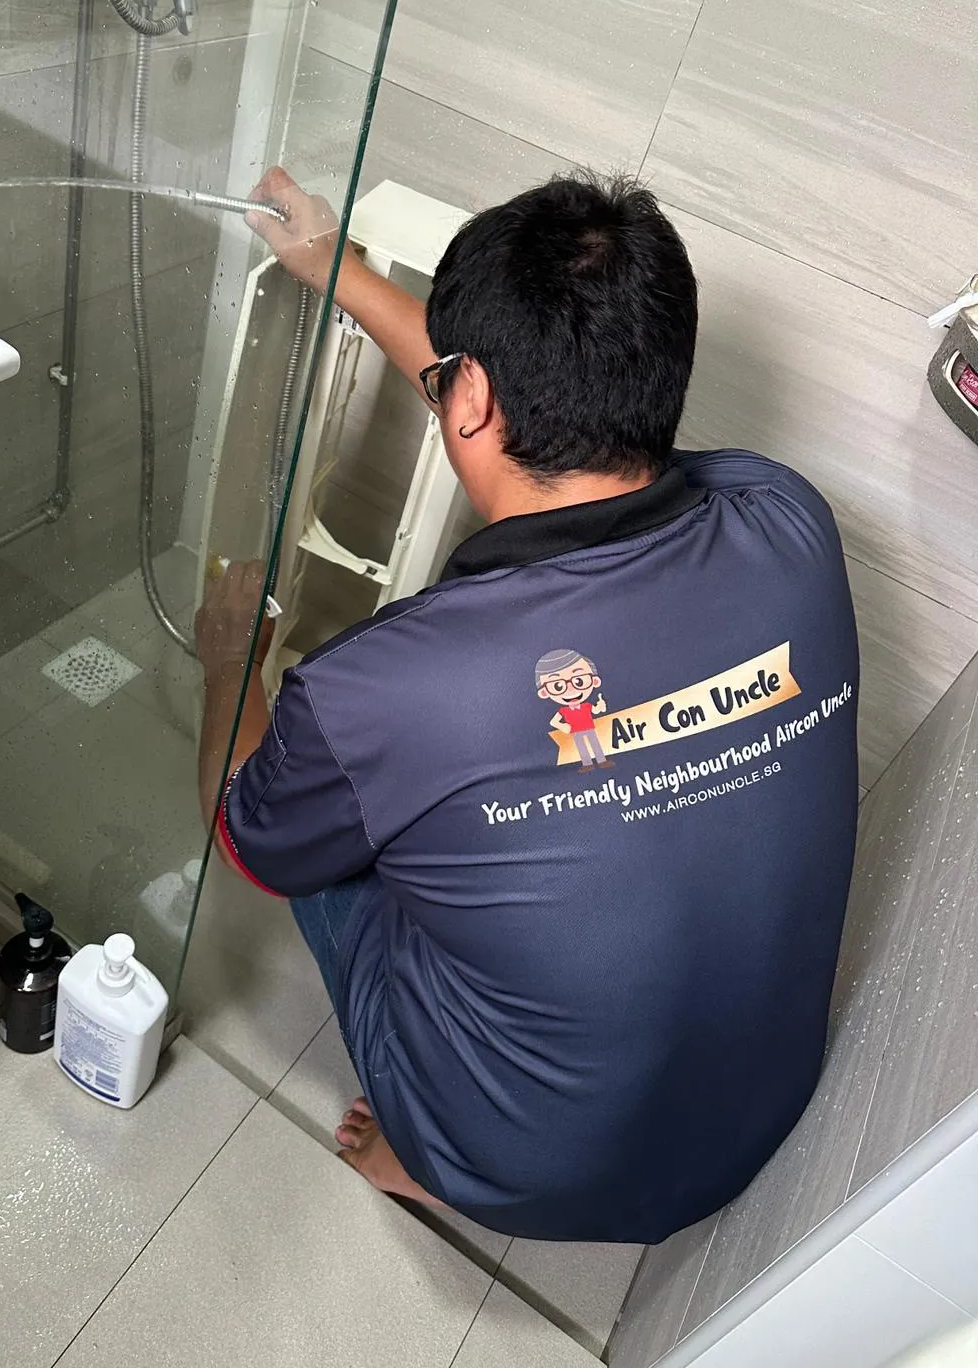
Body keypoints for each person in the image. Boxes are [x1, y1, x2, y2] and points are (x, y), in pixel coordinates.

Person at [195, 166, 860, 1243]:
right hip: (752, 1124)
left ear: (467, 397)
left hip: (526, 1169)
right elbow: (559, 422)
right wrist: (335, 271)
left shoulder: (384, 690)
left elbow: (243, 837)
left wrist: (230, 663)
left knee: (321, 834)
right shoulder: (786, 519)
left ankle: (424, 1159)